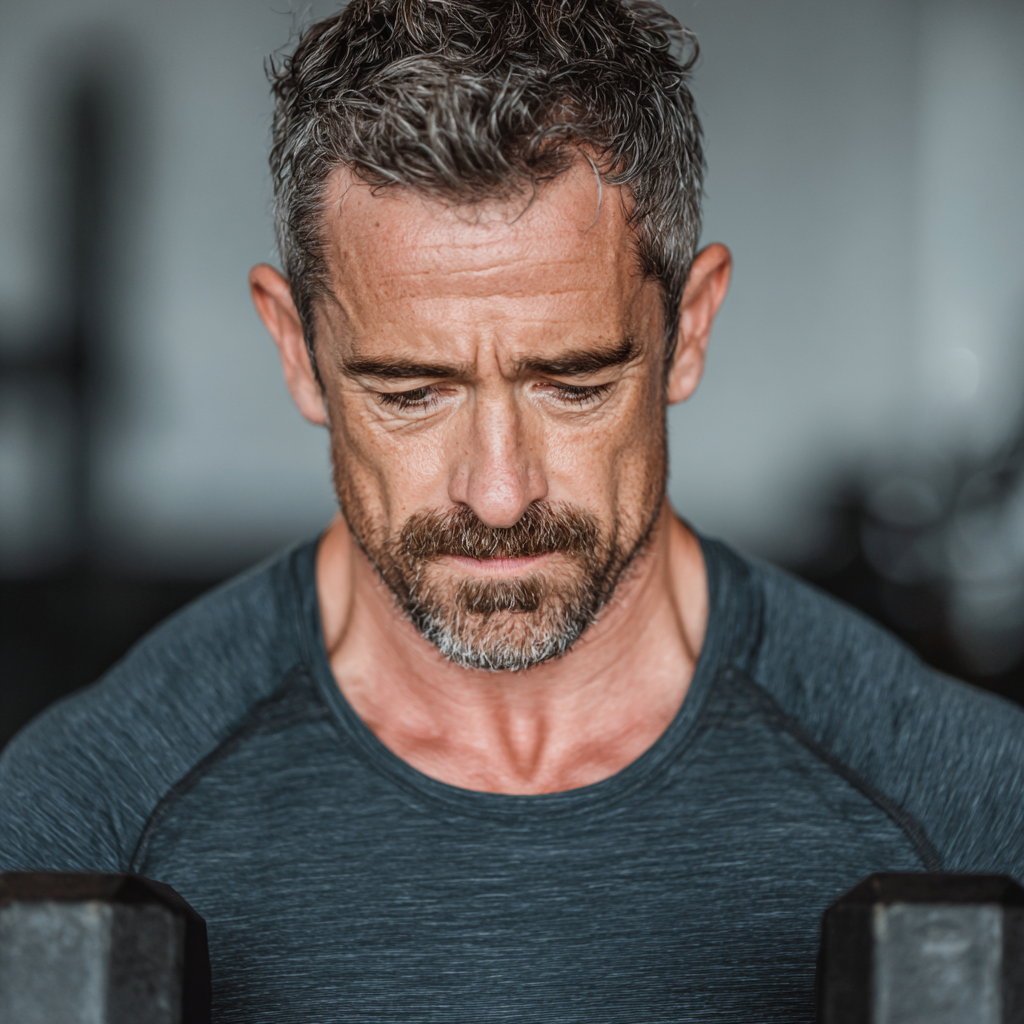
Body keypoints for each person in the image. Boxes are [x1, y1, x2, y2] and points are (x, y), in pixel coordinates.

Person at [2, 0, 1022, 1019]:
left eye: (572, 386)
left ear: (690, 328)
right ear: (295, 349)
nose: (497, 491)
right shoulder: (79, 823)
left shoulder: (968, 813)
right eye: (409, 394)